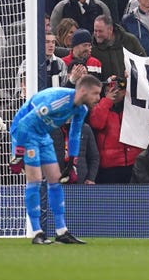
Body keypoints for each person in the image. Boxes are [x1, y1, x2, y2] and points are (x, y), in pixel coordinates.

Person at [8, 75, 102, 244]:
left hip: (42, 134)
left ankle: (61, 231)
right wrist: (19, 153)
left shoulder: (81, 109)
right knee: (35, 179)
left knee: (55, 179)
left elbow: (75, 133)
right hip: (25, 133)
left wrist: (72, 160)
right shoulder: (57, 101)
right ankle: (37, 232)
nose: (98, 98)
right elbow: (24, 123)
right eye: (95, 93)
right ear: (82, 91)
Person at [89, 76, 142, 184]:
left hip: (134, 163)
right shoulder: (100, 107)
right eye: (111, 89)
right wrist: (107, 100)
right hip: (110, 166)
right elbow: (96, 123)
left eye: (120, 89)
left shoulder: (133, 108)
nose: (116, 92)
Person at [92, 14, 146, 80]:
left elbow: (143, 62)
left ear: (110, 29)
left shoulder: (130, 40)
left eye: (100, 31)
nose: (97, 35)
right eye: (95, 30)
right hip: (106, 89)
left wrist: (132, 71)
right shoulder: (92, 47)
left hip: (130, 87)